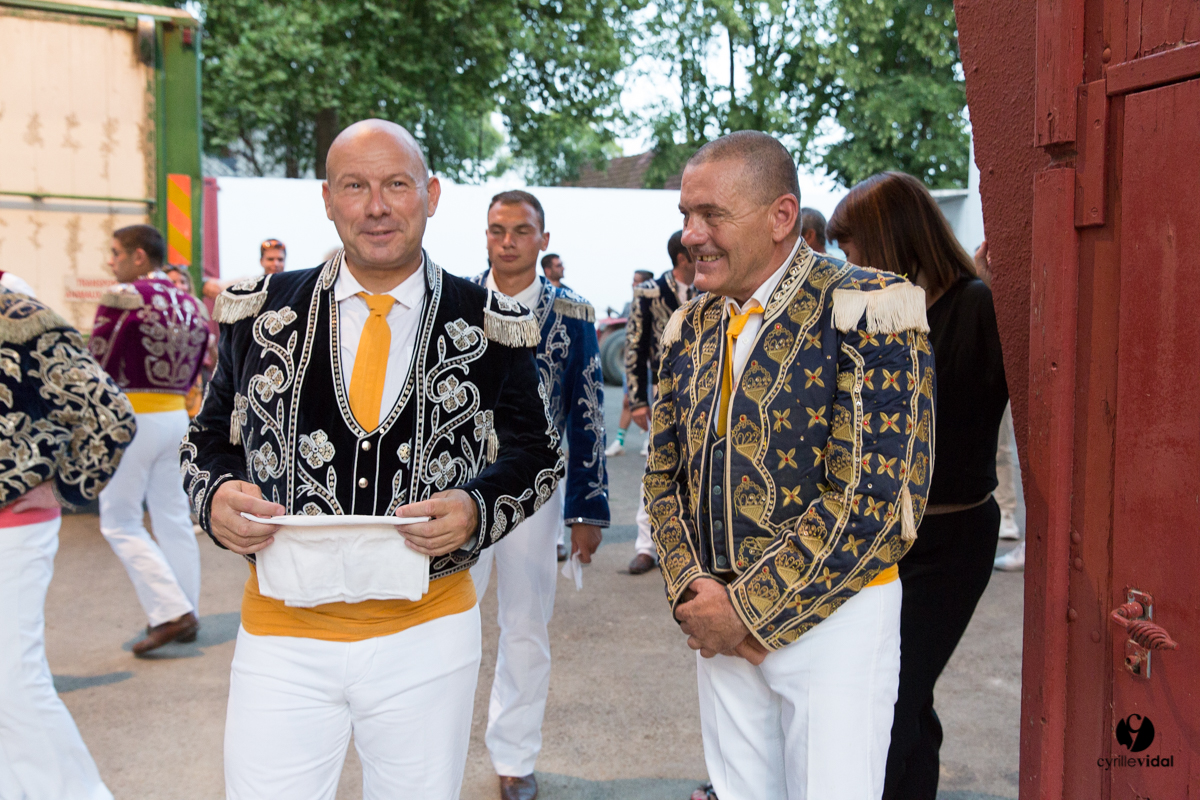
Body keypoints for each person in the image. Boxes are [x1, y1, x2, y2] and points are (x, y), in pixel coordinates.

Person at [180, 119, 563, 800]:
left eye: (396, 184)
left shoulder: (488, 321)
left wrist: (476, 508)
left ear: (432, 194)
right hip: (280, 634)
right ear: (328, 199)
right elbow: (209, 439)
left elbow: (537, 455)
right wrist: (213, 497)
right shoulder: (259, 314)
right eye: (355, 186)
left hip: (429, 634)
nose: (376, 206)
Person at [646, 132, 935, 800]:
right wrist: (694, 592)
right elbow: (662, 482)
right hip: (715, 614)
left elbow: (878, 503)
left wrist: (744, 610)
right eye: (686, 215)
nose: (692, 235)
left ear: (781, 217)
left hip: (835, 620)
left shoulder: (872, 304)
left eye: (712, 215)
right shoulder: (688, 327)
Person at [827, 171, 1008, 800]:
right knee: (905, 699)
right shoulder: (872, 312)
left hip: (950, 538)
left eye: (850, 251)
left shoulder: (975, 307)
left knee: (892, 702)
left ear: (887, 239)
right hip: (883, 541)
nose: (844, 265)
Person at [471, 190, 608, 800]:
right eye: (497, 230)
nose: (508, 241)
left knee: (526, 624)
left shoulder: (574, 315)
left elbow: (586, 412)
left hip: (535, 491)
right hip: (458, 490)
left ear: (543, 239)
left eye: (521, 230)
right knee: (445, 621)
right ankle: (434, 749)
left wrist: (586, 508)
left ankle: (515, 757)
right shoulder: (454, 301)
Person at [0, 284, 137, 800]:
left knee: (12, 684)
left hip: (12, 524)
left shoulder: (21, 316)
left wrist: (62, 485)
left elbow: (110, 415)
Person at [89, 225, 210, 655]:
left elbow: (95, 363)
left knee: (119, 521)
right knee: (173, 518)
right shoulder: (192, 303)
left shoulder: (124, 297)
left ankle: (171, 610)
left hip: (130, 419)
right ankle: (187, 610)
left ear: (139, 257)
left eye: (115, 252)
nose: (111, 261)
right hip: (177, 416)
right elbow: (202, 362)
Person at [624, 230, 695, 575]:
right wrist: (637, 400)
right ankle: (645, 546)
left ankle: (690, 549)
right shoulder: (649, 291)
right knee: (656, 469)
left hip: (704, 396)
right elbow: (634, 346)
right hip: (663, 398)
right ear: (683, 258)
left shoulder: (712, 286)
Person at [606, 269, 661, 458]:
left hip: (648, 365)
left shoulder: (655, 304)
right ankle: (619, 442)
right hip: (632, 364)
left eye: (636, 281)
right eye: (633, 281)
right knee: (627, 401)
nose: (633, 284)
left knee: (652, 403)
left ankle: (650, 440)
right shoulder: (629, 306)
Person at [202, 238, 287, 300]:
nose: (276, 264)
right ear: (261, 261)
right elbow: (222, 286)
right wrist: (210, 283)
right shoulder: (250, 282)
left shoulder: (291, 285)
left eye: (280, 260)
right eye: (270, 259)